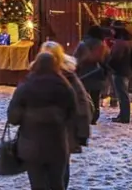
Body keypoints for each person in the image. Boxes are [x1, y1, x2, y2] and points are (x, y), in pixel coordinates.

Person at [6, 52, 77, 190]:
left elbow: (13, 117)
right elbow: (72, 114)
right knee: (57, 184)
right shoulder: (65, 86)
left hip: (31, 146)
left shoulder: (25, 86)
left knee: (37, 185)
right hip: (58, 145)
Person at [41, 42, 92, 190]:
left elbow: (82, 105)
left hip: (62, 132)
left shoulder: (68, 77)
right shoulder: (36, 76)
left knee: (59, 169)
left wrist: (82, 132)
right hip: (44, 133)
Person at [73, 25, 108, 125]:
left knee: (83, 97)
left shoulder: (83, 43)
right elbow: (106, 59)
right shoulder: (102, 45)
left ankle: (84, 115)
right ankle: (94, 117)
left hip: (83, 75)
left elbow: (75, 58)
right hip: (97, 74)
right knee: (95, 97)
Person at [107, 25, 132, 123]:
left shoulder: (120, 43)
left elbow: (116, 58)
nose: (112, 33)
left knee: (122, 95)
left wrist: (108, 64)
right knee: (123, 94)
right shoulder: (126, 43)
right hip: (125, 71)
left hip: (119, 72)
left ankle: (124, 117)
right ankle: (122, 115)